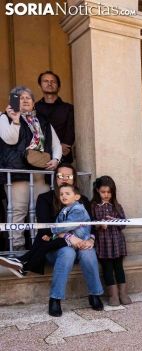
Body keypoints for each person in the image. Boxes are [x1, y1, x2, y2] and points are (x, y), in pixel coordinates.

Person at [26, 164, 104, 316]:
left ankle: (95, 294)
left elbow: (90, 224)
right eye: (60, 176)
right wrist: (69, 236)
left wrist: (91, 240)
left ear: (74, 180)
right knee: (67, 252)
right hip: (53, 247)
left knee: (88, 252)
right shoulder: (45, 198)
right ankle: (55, 299)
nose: (64, 179)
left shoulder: (82, 200)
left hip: (80, 243)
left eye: (69, 176)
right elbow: (45, 229)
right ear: (55, 179)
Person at [1, 86, 60, 250]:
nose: (25, 100)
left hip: (41, 172)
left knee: (40, 210)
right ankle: (17, 248)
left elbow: (55, 144)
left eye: (28, 98)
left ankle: (38, 245)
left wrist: (55, 160)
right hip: (18, 173)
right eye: (19, 98)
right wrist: (15, 119)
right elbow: (11, 140)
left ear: (34, 103)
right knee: (18, 211)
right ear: (12, 102)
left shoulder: (42, 120)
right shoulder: (4, 118)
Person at [0, 184, 90, 278]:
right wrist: (52, 235)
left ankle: (22, 263)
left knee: (47, 245)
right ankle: (23, 267)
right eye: (61, 194)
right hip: (68, 236)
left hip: (78, 238)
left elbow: (66, 226)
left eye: (67, 193)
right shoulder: (65, 209)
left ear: (77, 197)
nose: (63, 196)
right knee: (44, 241)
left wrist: (51, 231)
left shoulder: (78, 209)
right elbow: (58, 224)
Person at [90, 176, 130, 307]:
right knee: (107, 268)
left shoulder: (117, 206)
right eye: (103, 192)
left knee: (119, 267)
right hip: (102, 242)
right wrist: (99, 224)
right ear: (97, 191)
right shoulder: (93, 206)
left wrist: (116, 221)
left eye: (109, 192)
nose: (106, 195)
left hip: (117, 241)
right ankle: (113, 295)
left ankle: (123, 293)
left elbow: (124, 223)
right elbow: (89, 224)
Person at [34, 71, 74, 164]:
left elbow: (71, 130)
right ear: (39, 86)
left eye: (53, 81)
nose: (49, 84)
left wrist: (61, 147)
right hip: (38, 154)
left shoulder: (68, 108)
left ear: (59, 87)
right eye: (45, 81)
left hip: (63, 156)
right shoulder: (34, 108)